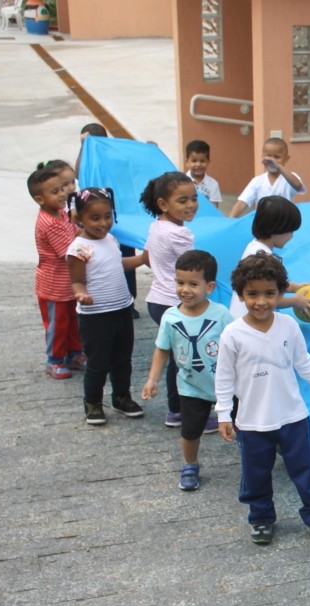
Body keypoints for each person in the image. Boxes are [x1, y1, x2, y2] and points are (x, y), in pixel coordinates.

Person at [215, 252, 310, 547]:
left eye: (270, 294)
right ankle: (261, 518)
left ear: (281, 293)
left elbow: (303, 361)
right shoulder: (232, 334)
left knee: (305, 471)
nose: (261, 301)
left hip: (293, 417)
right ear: (241, 294)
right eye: (252, 294)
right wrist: (223, 414)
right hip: (252, 422)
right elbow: (224, 378)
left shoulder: (288, 326)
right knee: (255, 474)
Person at [141, 250, 233, 492]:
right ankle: (190, 464)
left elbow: (238, 344)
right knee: (190, 431)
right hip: (191, 386)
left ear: (210, 286)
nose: (185, 289)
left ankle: (269, 445)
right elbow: (162, 350)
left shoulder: (221, 314)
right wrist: (153, 379)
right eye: (180, 282)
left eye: (193, 284)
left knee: (247, 420)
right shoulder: (170, 318)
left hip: (227, 383)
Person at [65, 187, 146, 425]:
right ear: (79, 218)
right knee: (98, 363)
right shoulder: (79, 248)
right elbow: (77, 281)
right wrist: (81, 294)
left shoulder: (111, 239)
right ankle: (92, 403)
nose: (104, 223)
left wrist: (141, 259)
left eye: (108, 216)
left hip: (121, 310)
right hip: (95, 316)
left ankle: (121, 398)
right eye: (95, 218)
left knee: (123, 359)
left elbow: (117, 264)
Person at [141, 171, 199, 428]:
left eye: (194, 198)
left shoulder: (157, 225)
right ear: (163, 204)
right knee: (182, 360)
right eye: (183, 200)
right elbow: (193, 267)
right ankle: (179, 411)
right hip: (173, 302)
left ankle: (177, 409)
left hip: (157, 300)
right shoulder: (179, 234)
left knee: (177, 357)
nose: (191, 205)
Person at [75, 123, 140, 318]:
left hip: (119, 218)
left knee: (123, 255)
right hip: (97, 218)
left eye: (87, 142)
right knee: (99, 259)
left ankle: (128, 298)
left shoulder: (116, 158)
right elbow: (78, 174)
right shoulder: (85, 161)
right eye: (82, 143)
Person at [227, 196, 310, 320]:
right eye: (290, 231)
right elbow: (268, 297)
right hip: (248, 319)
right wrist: (296, 301)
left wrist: (295, 287)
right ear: (277, 229)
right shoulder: (261, 256)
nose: (292, 236)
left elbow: (269, 283)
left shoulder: (254, 246)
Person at [29, 165, 83, 379]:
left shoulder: (62, 213)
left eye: (62, 188)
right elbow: (68, 252)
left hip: (69, 282)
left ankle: (75, 353)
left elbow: (74, 232)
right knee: (57, 324)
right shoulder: (49, 222)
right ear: (40, 199)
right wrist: (89, 241)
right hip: (54, 286)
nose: (62, 194)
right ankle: (55, 359)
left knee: (73, 319)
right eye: (55, 192)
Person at [228, 137, 306, 218]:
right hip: (264, 225)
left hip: (285, 224)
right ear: (262, 157)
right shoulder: (257, 181)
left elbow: (298, 186)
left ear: (286, 159)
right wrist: (229, 221)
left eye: (276, 157)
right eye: (268, 156)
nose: (272, 161)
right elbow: (242, 203)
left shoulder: (290, 178)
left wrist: (278, 166)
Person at [185, 139, 222, 207]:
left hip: (205, 217)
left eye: (202, 161)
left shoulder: (213, 184)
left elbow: (214, 209)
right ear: (187, 162)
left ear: (208, 162)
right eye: (194, 161)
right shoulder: (181, 182)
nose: (198, 164)